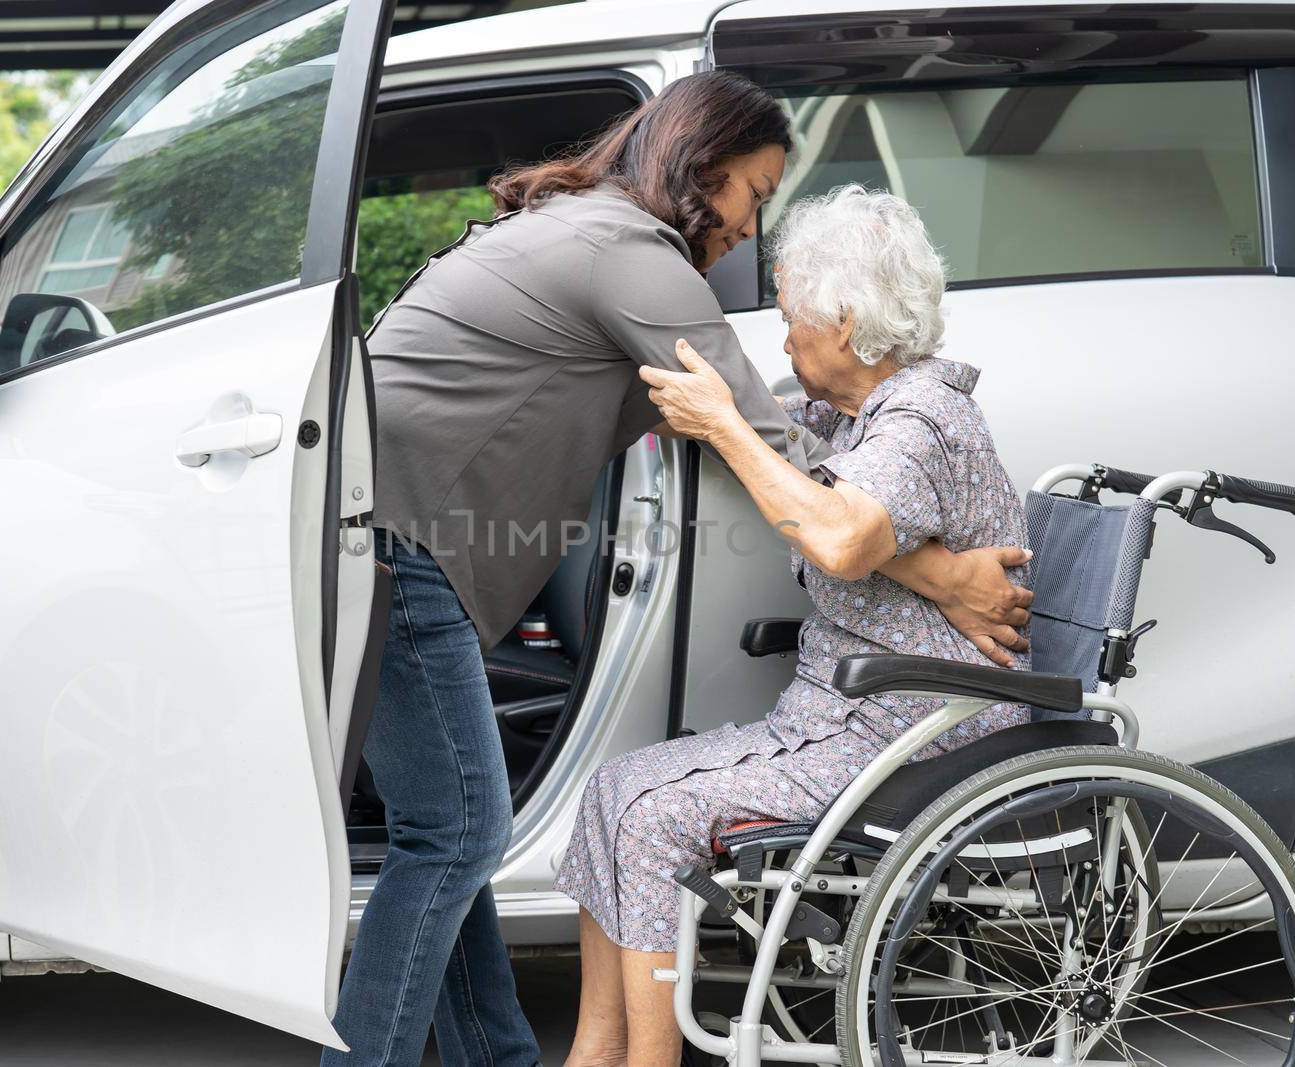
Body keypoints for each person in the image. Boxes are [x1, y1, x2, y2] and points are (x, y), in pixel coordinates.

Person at [332, 74, 1033, 1065]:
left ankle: (499, 1057)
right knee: (452, 834)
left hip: (376, 530)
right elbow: (774, 454)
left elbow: (801, 477)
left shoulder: (580, 229)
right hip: (405, 542)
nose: (753, 224)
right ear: (701, 171)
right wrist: (945, 578)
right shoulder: (634, 256)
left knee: (446, 831)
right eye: (754, 191)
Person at [556, 184, 1035, 1066]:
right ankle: (599, 1045)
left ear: (845, 322)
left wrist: (724, 427)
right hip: (847, 723)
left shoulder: (922, 420)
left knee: (653, 818)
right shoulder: (854, 417)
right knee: (610, 789)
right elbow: (817, 489)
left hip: (913, 733)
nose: (783, 339)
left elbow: (844, 534)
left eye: (790, 319)